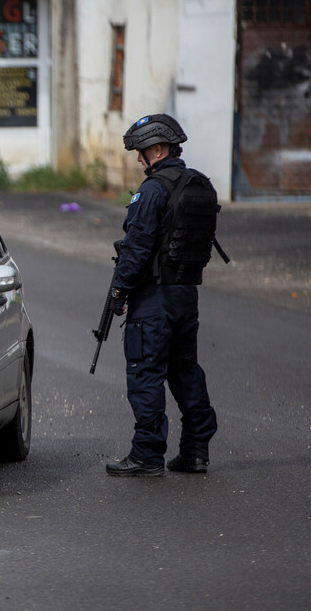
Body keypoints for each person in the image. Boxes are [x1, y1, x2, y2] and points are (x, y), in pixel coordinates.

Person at [105, 113, 218, 477]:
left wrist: (120, 291)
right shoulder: (198, 184)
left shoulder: (152, 190)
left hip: (153, 299)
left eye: (141, 151)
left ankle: (147, 455)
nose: (139, 159)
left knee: (145, 372)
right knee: (184, 370)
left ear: (158, 149)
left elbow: (137, 248)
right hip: (186, 295)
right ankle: (196, 451)